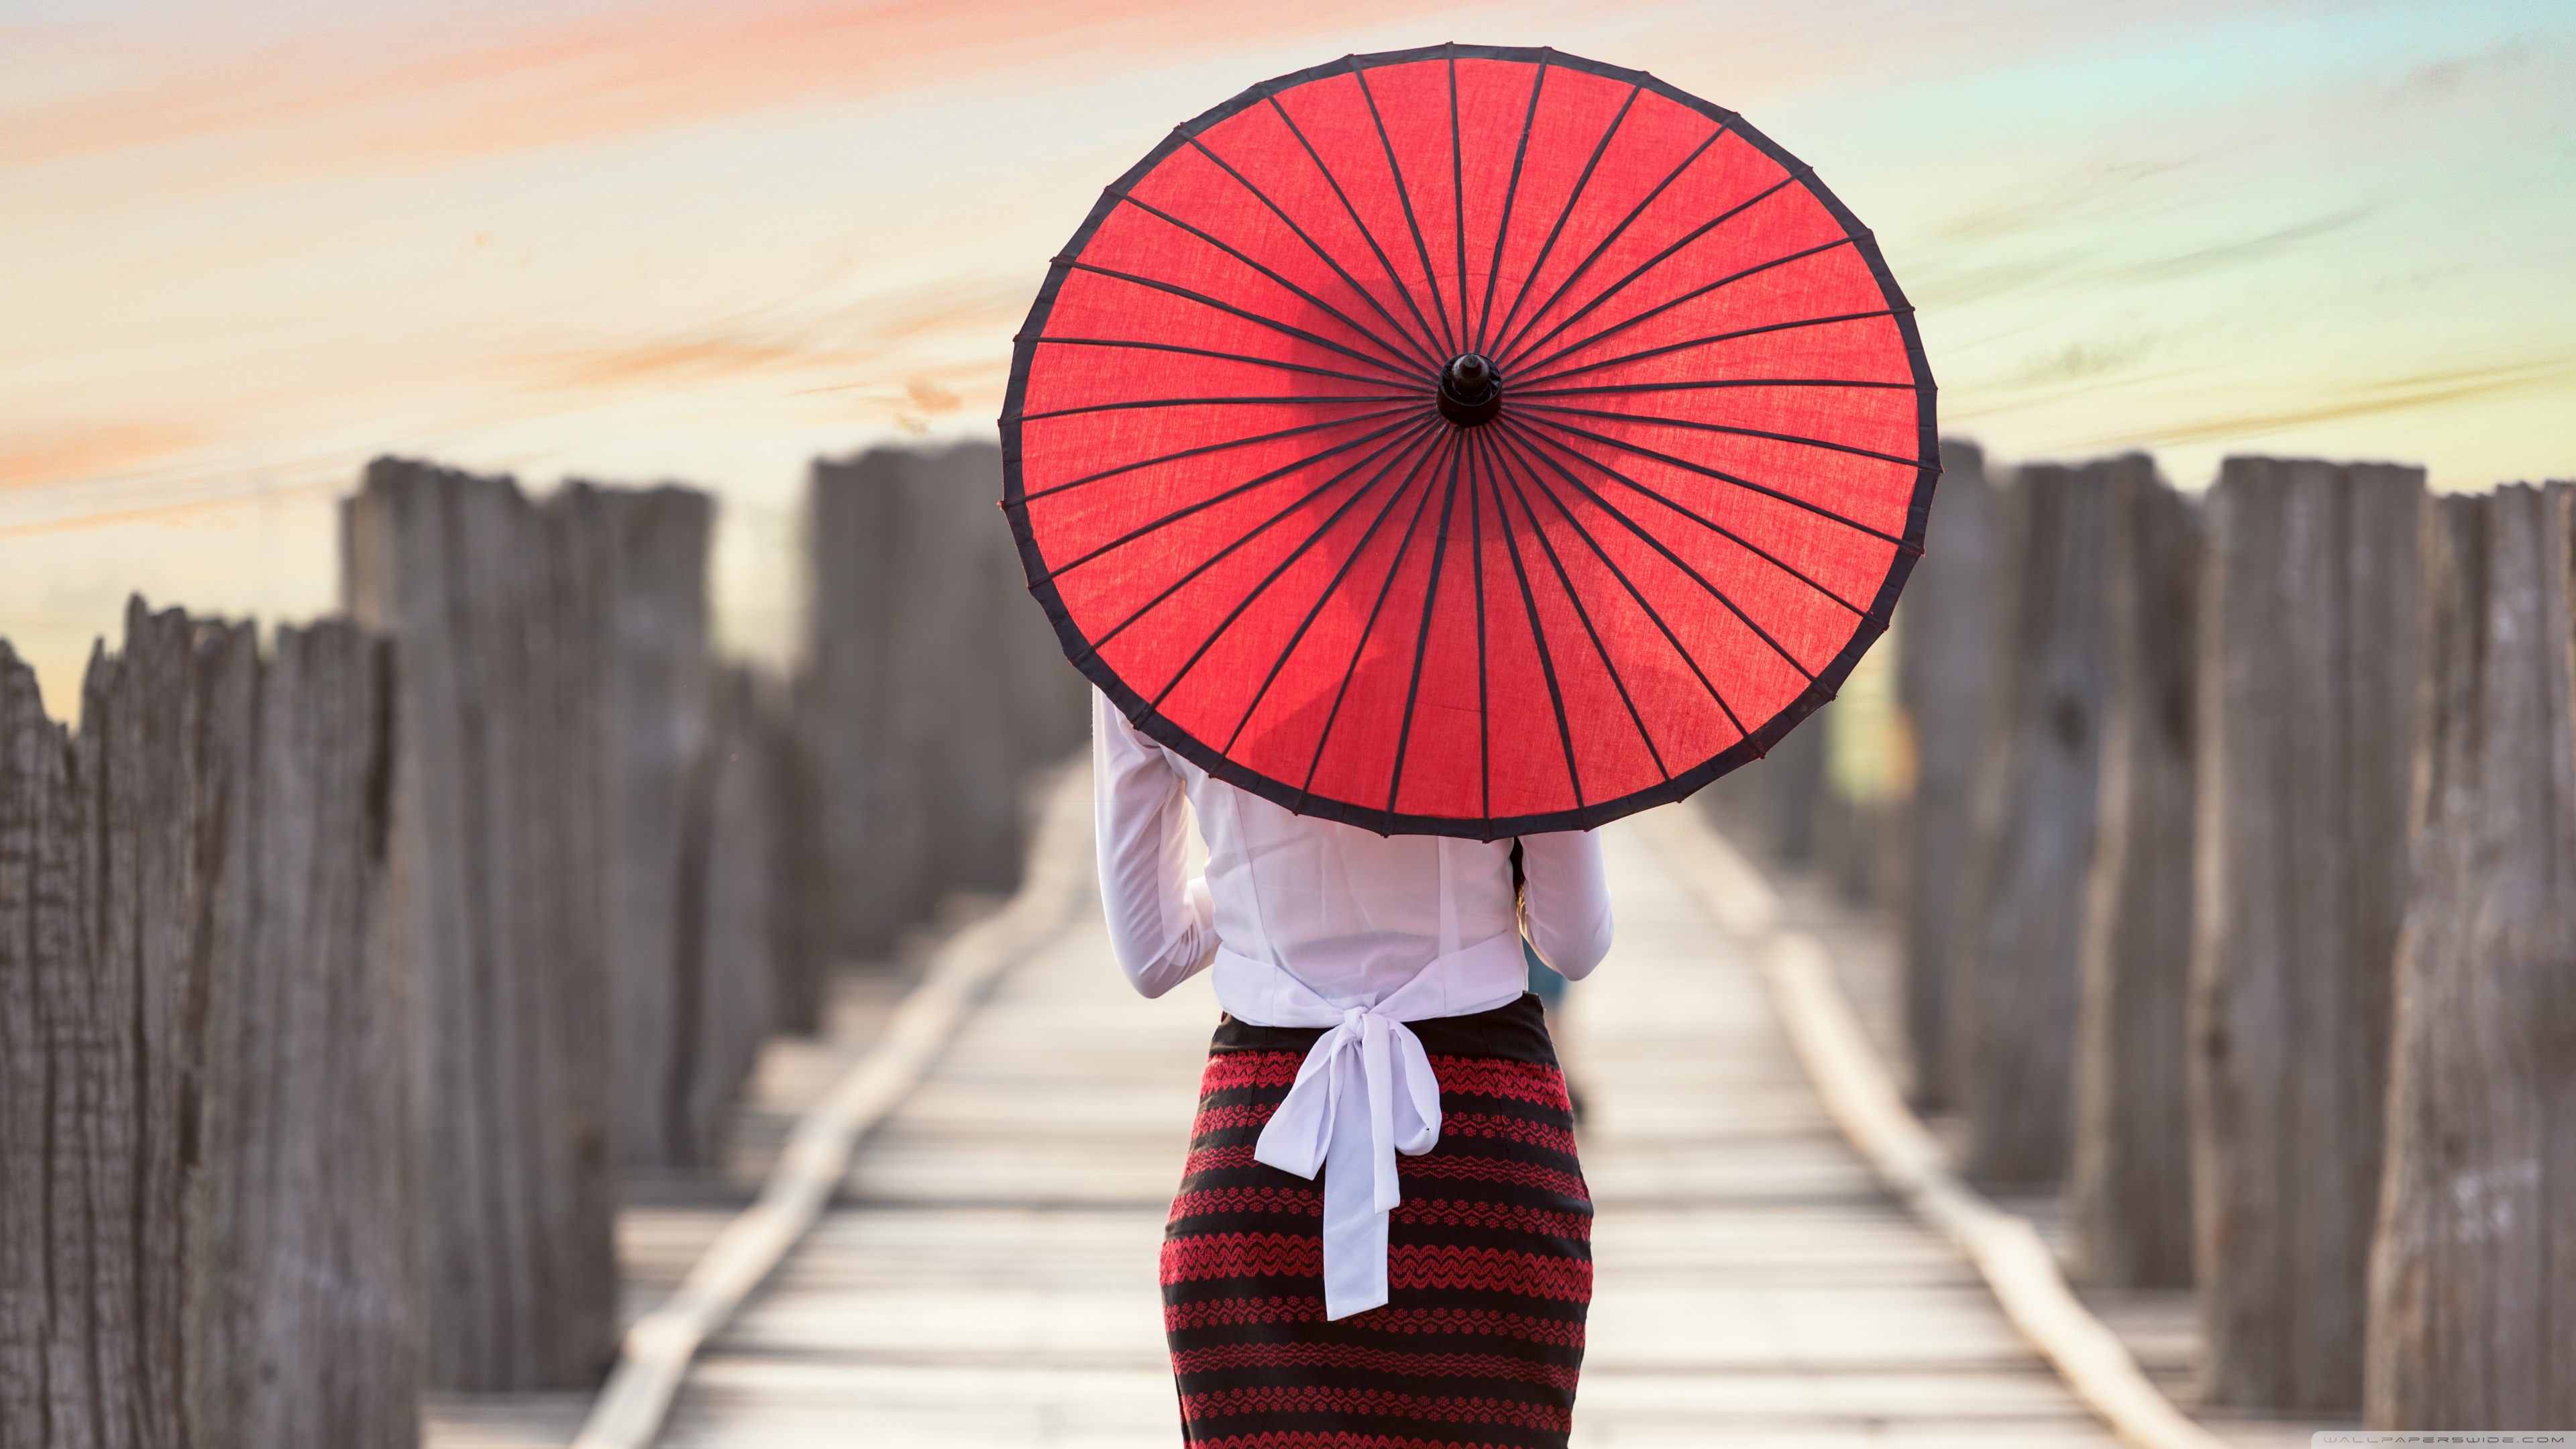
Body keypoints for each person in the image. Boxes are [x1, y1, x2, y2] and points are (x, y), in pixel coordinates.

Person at [1093, 689, 1613, 1448]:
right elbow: (1574, 944)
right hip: (1486, 1174)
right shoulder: (1512, 643)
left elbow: (1153, 952)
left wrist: (1250, 890)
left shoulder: (1159, 640)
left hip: (1262, 1171)